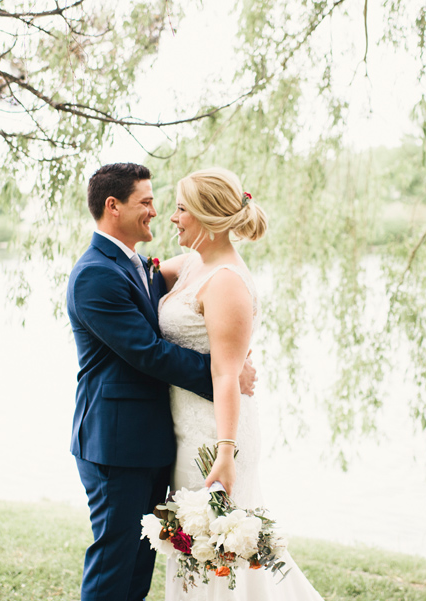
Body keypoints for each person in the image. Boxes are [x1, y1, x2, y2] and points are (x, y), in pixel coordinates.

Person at [66, 163, 256, 601]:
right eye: (147, 202)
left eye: (167, 204)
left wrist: (229, 358)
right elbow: (147, 352)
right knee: (114, 568)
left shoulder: (140, 265)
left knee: (139, 570)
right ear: (113, 207)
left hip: (156, 442)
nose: (157, 212)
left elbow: (206, 277)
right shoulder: (96, 274)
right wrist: (223, 373)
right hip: (116, 444)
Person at [157, 167, 324, 599]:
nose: (173, 219)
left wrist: (226, 453)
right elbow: (148, 270)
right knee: (196, 553)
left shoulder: (227, 281)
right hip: (188, 431)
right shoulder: (196, 263)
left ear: (207, 217)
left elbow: (226, 373)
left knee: (217, 558)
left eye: (180, 209)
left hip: (215, 440)